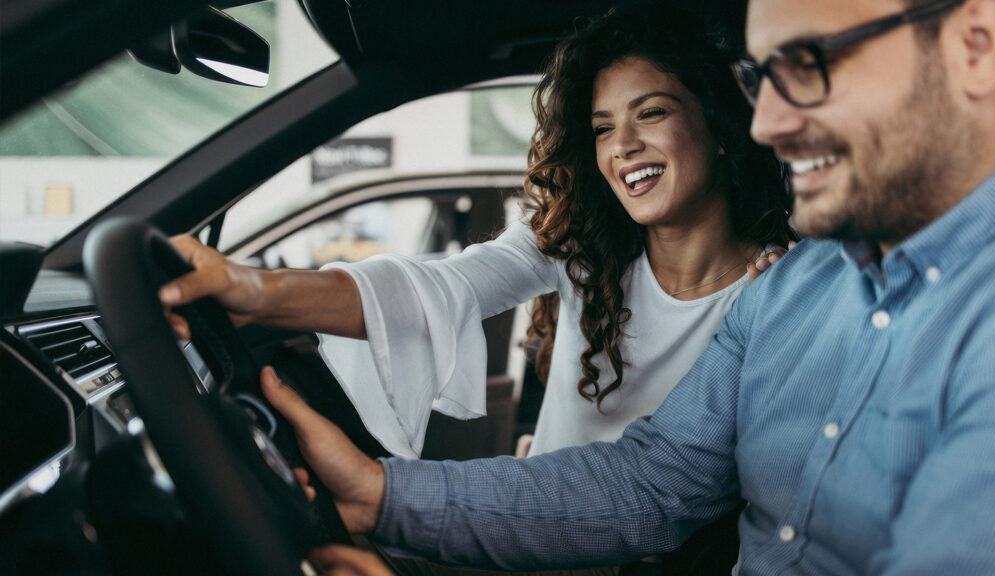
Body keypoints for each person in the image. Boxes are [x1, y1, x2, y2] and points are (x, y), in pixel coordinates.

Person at [250, 0, 995, 573]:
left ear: (977, 43)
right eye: (761, 78)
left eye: (808, 63)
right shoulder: (792, 292)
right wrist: (382, 494)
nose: (767, 123)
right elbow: (652, 486)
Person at [161, 6, 792, 463]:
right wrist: (251, 289)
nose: (622, 146)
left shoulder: (785, 286)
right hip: (529, 521)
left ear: (718, 128)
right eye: (602, 128)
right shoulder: (579, 247)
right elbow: (430, 288)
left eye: (651, 113)